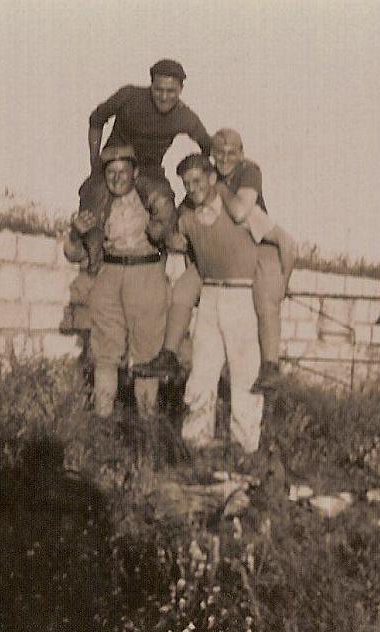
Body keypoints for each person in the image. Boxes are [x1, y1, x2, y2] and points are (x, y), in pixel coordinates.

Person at [134, 128, 295, 393]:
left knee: (267, 303)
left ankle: (270, 365)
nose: (224, 158)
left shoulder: (247, 172)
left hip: (256, 248)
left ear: (241, 154)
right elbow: (177, 229)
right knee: (182, 291)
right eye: (218, 153)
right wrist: (167, 236)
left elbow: (243, 213)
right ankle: (169, 355)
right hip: (218, 260)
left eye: (231, 153)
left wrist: (284, 283)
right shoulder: (199, 189)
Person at [60, 58, 210, 333]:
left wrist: (201, 184)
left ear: (180, 91)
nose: (164, 96)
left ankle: (160, 276)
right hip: (116, 162)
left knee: (166, 204)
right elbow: (96, 118)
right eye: (159, 89)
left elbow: (206, 145)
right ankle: (92, 270)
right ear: (150, 85)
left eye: (171, 91)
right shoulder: (129, 96)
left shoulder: (185, 116)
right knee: (93, 199)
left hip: (149, 171)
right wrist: (96, 164)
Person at [62, 144, 176, 419]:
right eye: (110, 172)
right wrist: (77, 233)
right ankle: (103, 419)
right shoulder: (98, 204)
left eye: (123, 171)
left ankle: (146, 422)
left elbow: (173, 235)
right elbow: (73, 254)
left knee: (147, 352)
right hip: (109, 275)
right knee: (105, 350)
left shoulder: (153, 199)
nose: (116, 178)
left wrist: (161, 229)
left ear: (135, 172)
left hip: (146, 274)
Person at [168, 153, 270, 453]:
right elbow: (181, 243)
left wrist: (274, 286)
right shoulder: (189, 214)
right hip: (210, 296)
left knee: (244, 373)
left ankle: (245, 447)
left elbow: (277, 241)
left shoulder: (244, 209)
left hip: (242, 295)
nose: (193, 188)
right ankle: (195, 442)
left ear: (213, 178)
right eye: (187, 184)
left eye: (198, 180)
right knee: (202, 370)